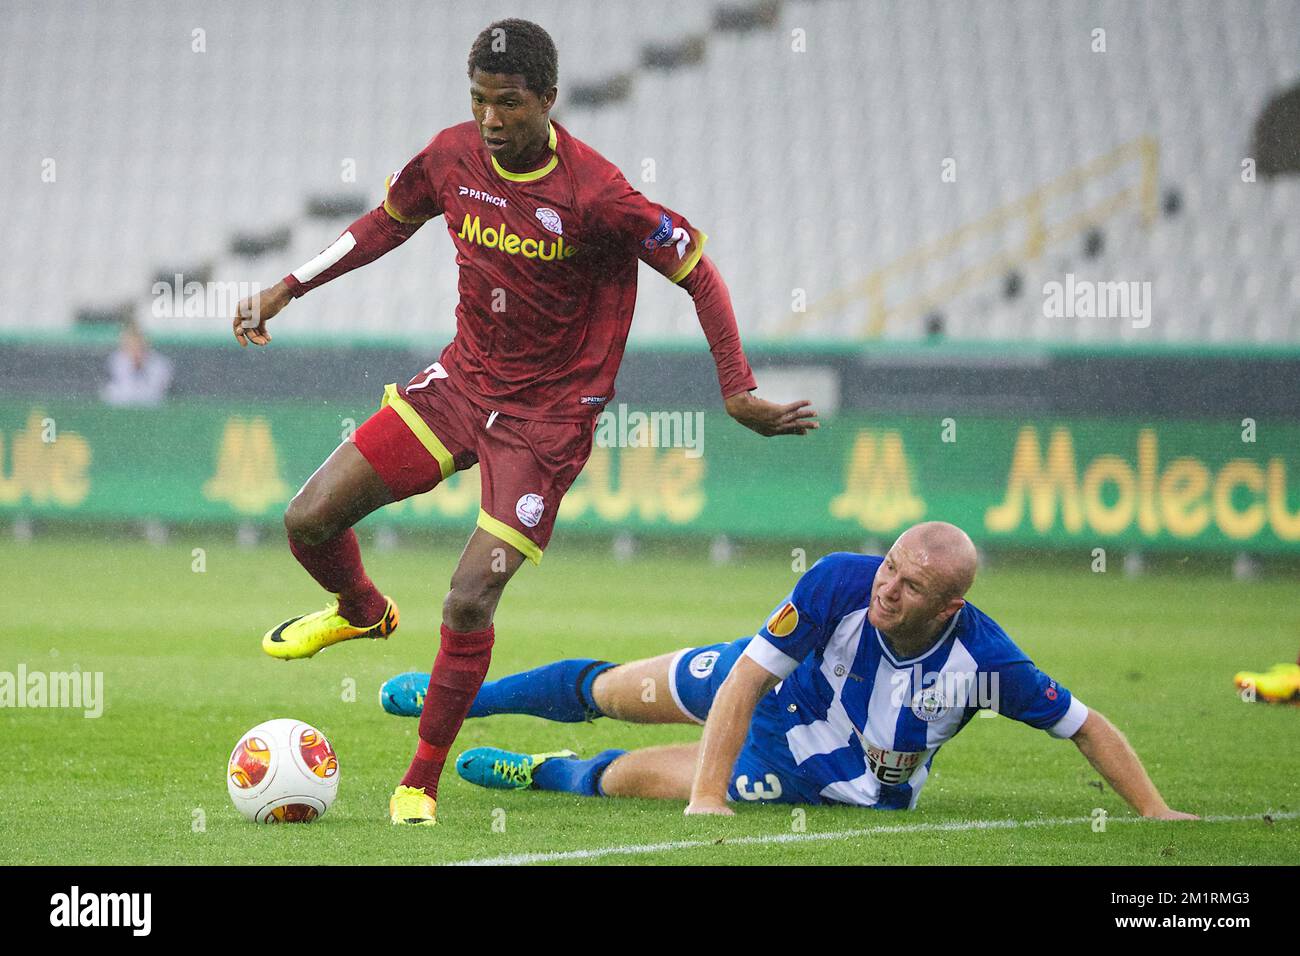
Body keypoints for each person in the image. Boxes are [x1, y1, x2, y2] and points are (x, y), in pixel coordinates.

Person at [230, 19, 818, 827]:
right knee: (307, 519)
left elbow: (698, 274)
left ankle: (419, 782)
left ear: (548, 98)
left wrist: (736, 389)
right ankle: (363, 612)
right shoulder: (450, 157)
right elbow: (381, 225)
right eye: (478, 100)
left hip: (547, 421)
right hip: (462, 383)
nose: (491, 119)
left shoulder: (599, 193)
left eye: (508, 103)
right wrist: (286, 287)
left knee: (470, 598)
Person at [382, 522, 1197, 820]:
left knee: (628, 780)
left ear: (947, 606)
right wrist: (711, 797)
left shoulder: (987, 661)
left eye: (911, 585)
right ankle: (470, 699)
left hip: (830, 774)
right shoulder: (841, 580)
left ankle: (543, 774)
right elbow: (745, 680)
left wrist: (1156, 814)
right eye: (891, 566)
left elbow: (1084, 724)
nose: (888, 585)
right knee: (617, 689)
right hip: (775, 679)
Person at [101, 322, 173, 407]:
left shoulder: (160, 363)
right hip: (123, 401)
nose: (135, 349)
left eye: (138, 344)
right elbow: (121, 389)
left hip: (150, 404)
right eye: (130, 345)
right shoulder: (116, 360)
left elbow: (156, 391)